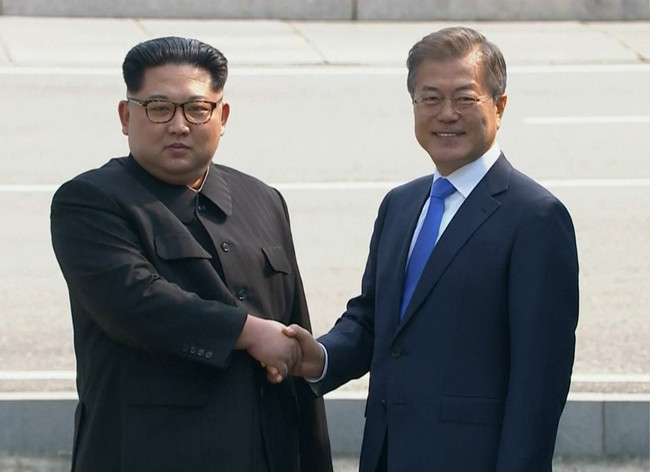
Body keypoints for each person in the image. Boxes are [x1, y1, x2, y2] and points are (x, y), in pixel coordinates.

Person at [282, 26, 579, 472]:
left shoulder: (535, 218)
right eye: (430, 98)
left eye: (465, 98)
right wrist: (319, 357)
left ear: (498, 107)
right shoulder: (400, 204)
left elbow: (539, 385)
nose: (446, 114)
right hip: (387, 453)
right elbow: (372, 319)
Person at [50, 36, 332, 472]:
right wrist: (250, 331)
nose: (179, 125)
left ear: (222, 115)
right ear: (126, 117)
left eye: (197, 109)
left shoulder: (262, 199)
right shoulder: (90, 201)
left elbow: (293, 334)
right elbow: (136, 301)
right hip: (150, 453)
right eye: (159, 108)